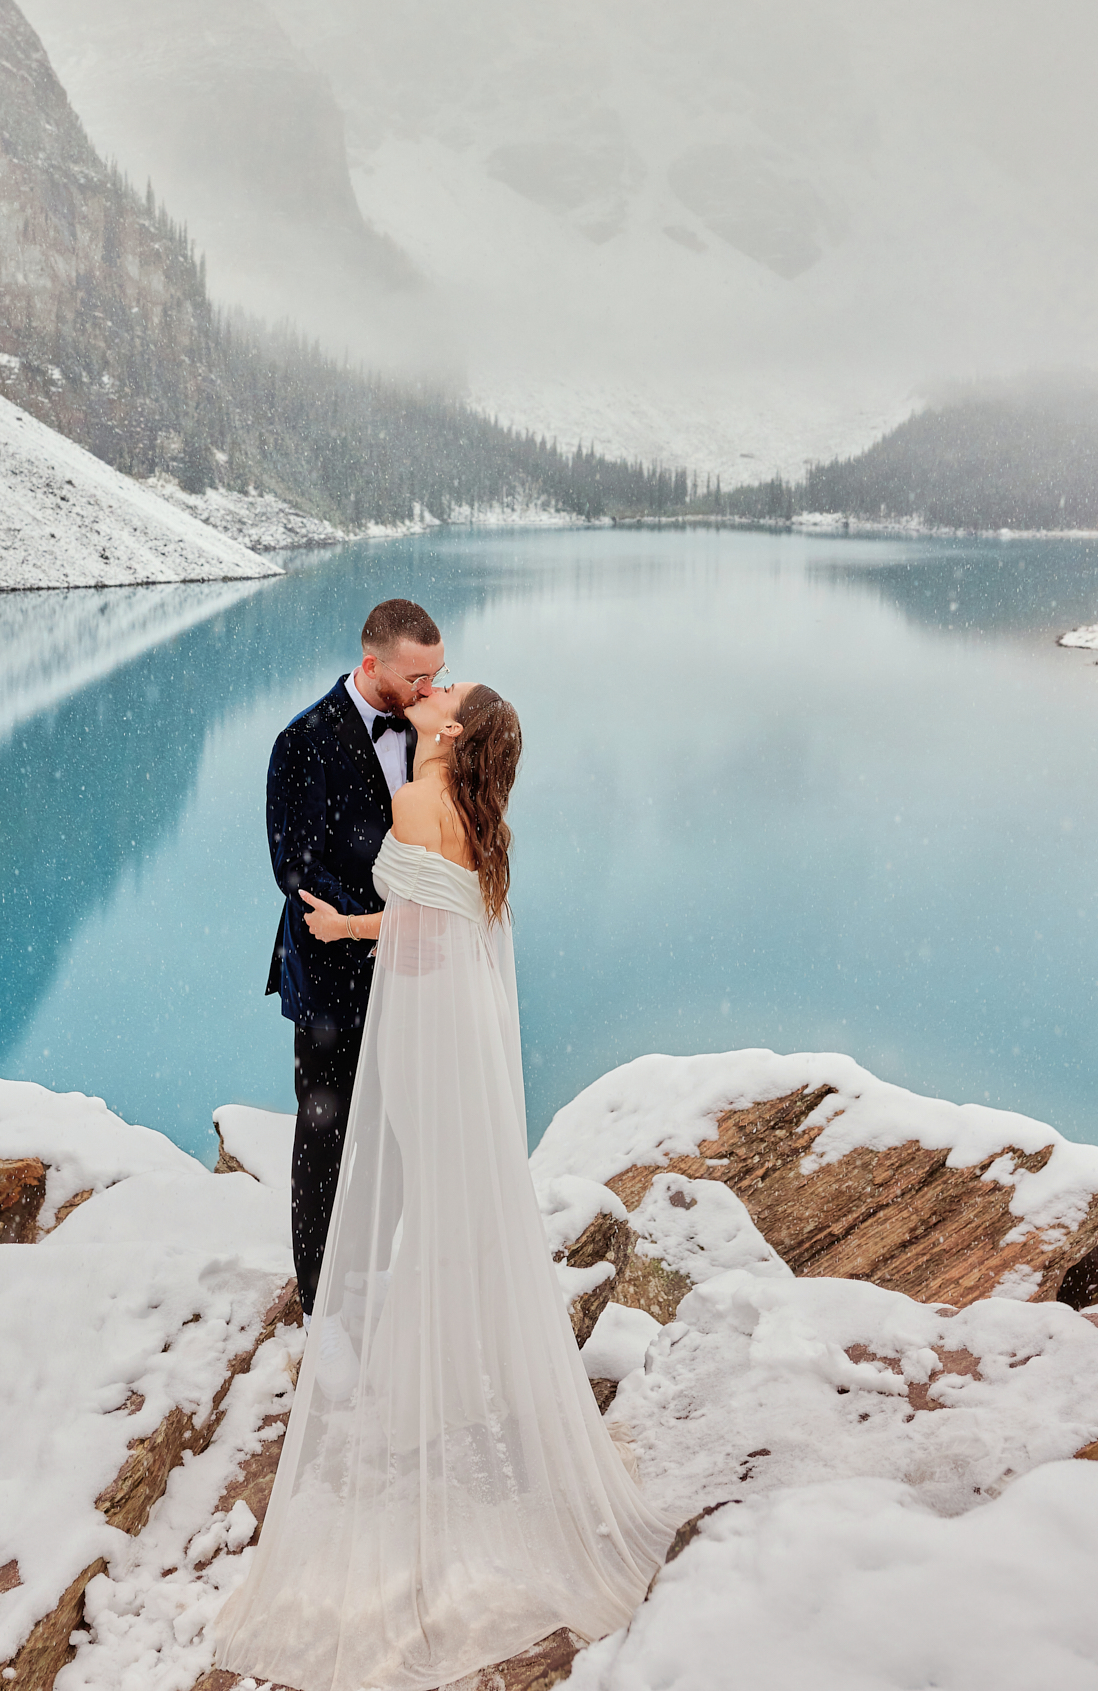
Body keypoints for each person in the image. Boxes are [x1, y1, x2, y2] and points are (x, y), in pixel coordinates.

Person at [219, 684, 668, 1691]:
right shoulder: (477, 812)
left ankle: (420, 1395)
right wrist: (354, 930)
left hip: (421, 1025)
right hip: (452, 1021)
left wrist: (339, 934)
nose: (436, 689)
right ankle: (460, 1372)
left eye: (449, 693)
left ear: (453, 733)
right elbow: (442, 914)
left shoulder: (421, 803)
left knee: (426, 1191)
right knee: (459, 1196)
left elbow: (418, 932)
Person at [265, 597, 446, 1322]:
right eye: (414, 677)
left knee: (400, 1130)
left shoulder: (431, 730)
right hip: (331, 979)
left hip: (413, 971)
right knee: (324, 1137)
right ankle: (320, 1306)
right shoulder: (301, 740)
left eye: (437, 673)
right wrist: (378, 924)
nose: (428, 689)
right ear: (371, 664)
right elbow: (295, 870)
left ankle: (369, 1271)